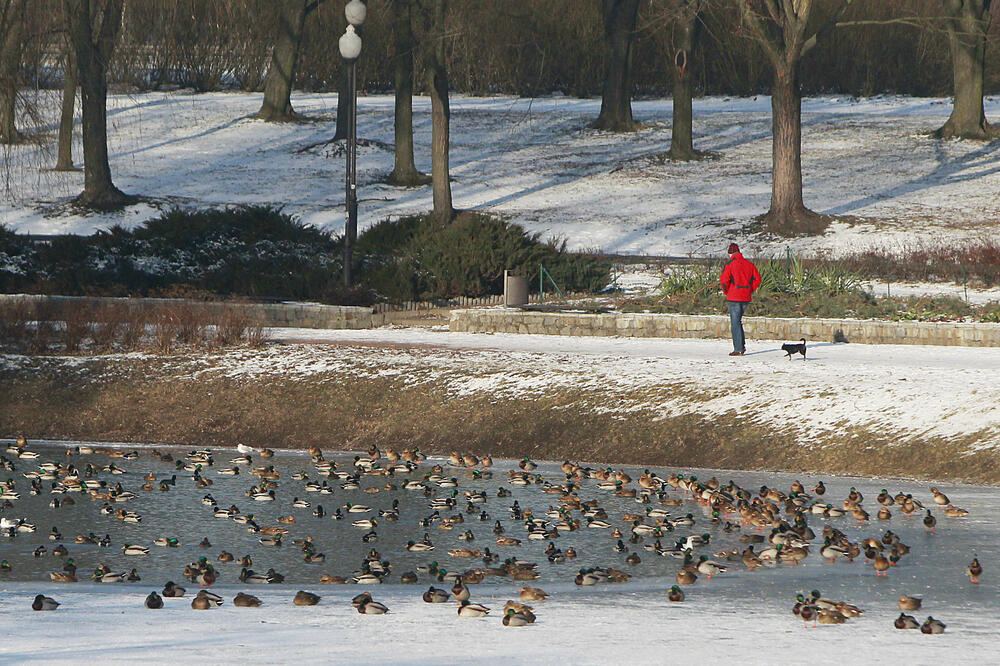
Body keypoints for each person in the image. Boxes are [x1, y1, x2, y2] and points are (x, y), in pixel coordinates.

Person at [719, 242, 761, 357]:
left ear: (730, 253)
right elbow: (757, 279)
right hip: (745, 296)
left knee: (735, 323)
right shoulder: (749, 264)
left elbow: (724, 280)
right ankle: (740, 347)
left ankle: (738, 348)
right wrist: (749, 289)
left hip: (734, 296)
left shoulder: (730, 264)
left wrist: (727, 291)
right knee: (738, 321)